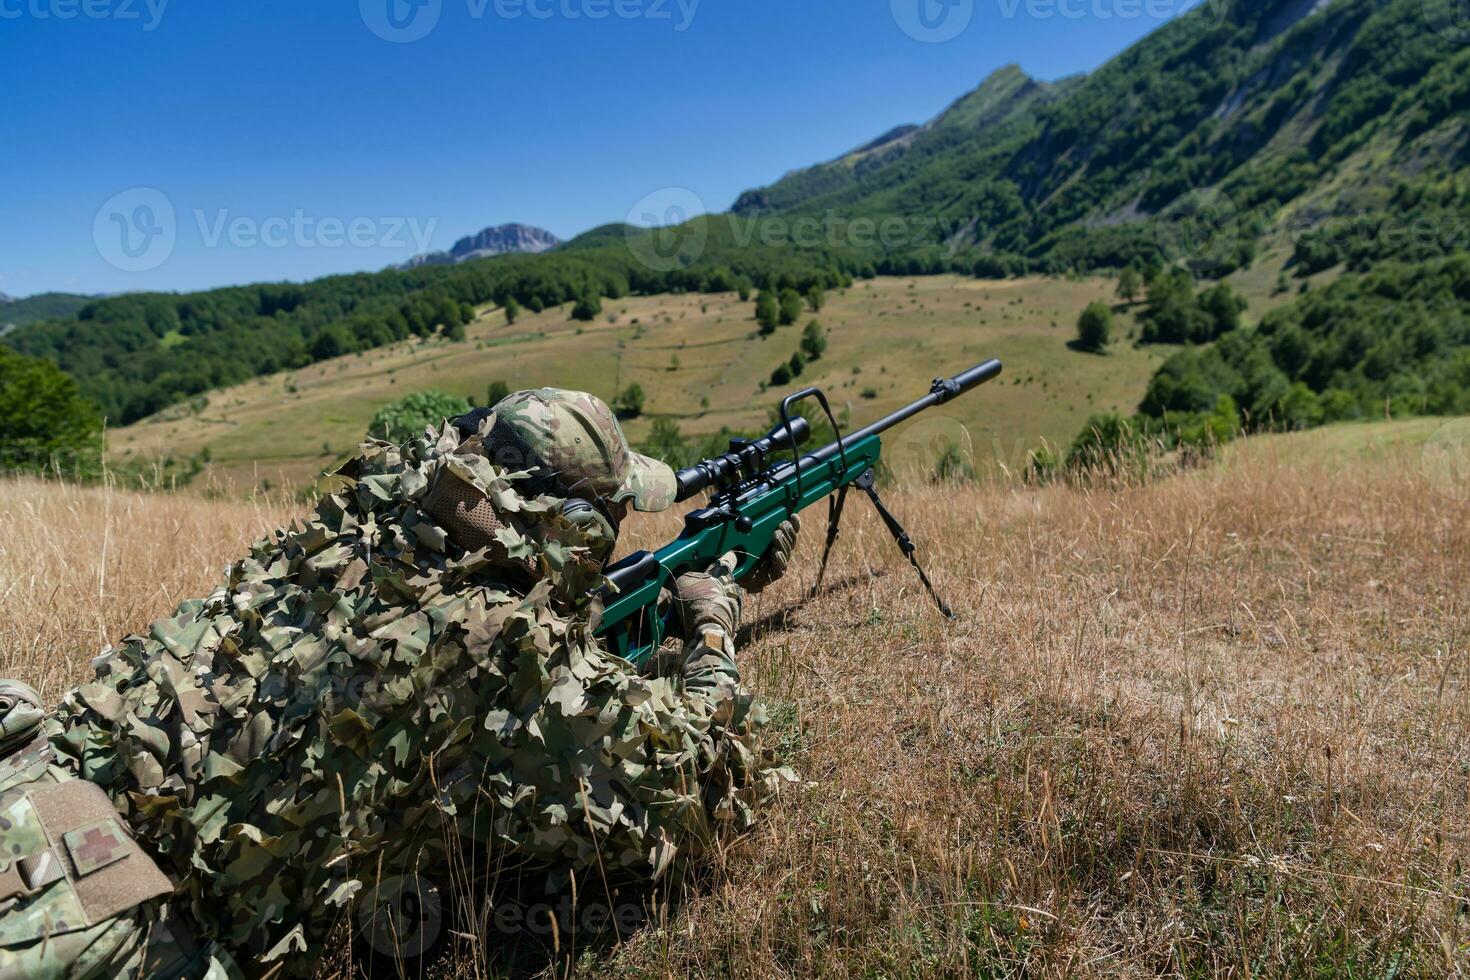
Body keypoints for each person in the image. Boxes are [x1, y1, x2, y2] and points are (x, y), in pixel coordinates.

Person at [0, 388, 798, 978]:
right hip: (112, 935)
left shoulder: (359, 526)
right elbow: (695, 783)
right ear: (579, 528)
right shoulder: (509, 650)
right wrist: (712, 619)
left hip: (32, 797)